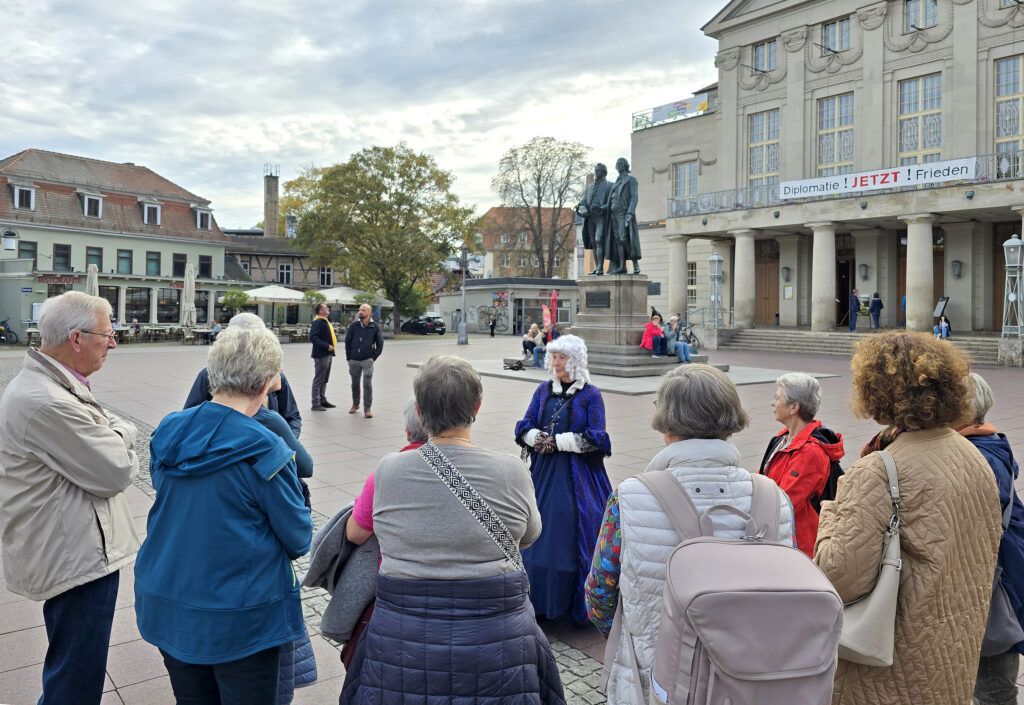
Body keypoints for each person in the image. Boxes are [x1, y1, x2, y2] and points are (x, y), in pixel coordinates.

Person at [339, 355, 563, 704]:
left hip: (400, 639)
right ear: (477, 406)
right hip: (499, 641)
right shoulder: (511, 472)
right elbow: (529, 536)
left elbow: (364, 530)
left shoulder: (389, 470)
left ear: (420, 409)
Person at [585, 364, 795, 704]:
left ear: (667, 421)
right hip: (748, 681)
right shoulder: (775, 499)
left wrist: (637, 633)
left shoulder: (630, 497)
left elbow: (599, 594)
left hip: (653, 680)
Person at [814, 332, 1002, 705]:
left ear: (877, 393)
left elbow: (838, 577)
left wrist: (832, 510)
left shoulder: (878, 470)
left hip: (890, 665)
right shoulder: (972, 455)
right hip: (954, 650)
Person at [134, 326, 313, 705]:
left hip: (168, 599)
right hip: (239, 616)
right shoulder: (266, 447)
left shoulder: (170, 429)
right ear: (266, 381)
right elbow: (298, 538)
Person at [0, 292, 139, 705]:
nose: (113, 343)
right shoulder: (46, 400)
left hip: (73, 547)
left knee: (74, 667)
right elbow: (115, 470)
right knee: (76, 678)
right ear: (76, 339)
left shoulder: (54, 383)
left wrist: (113, 432)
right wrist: (123, 433)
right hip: (76, 557)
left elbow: (107, 428)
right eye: (107, 334)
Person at [515, 335, 612, 624]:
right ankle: (537, 599)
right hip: (544, 472)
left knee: (572, 528)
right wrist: (536, 438)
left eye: (562, 357)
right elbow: (525, 424)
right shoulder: (543, 391)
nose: (556, 362)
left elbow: (597, 437)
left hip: (579, 476)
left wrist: (558, 442)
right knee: (535, 527)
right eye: (554, 357)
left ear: (575, 360)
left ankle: (574, 604)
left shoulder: (591, 395)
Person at [342, 398, 429, 667]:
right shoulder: (480, 471)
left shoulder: (385, 472)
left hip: (398, 594)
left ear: (407, 431)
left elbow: (355, 534)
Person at [959, 373, 1024, 705]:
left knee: (993, 690)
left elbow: (978, 523)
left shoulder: (980, 456)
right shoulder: (985, 443)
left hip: (990, 592)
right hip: (991, 585)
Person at [758, 373, 844, 557]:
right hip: (779, 536)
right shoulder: (782, 438)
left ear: (794, 407)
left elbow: (785, 502)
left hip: (797, 546)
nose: (772, 403)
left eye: (777, 398)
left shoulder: (810, 452)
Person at [185, 312, 302, 437]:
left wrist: (288, 441)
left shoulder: (274, 375)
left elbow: (292, 416)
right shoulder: (209, 374)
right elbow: (192, 416)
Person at [345, 303, 384, 418]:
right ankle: (355, 404)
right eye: (360, 310)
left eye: (363, 310)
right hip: (354, 360)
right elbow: (347, 342)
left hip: (367, 360)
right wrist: (349, 358)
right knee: (355, 384)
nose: (360, 312)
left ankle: (367, 409)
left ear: (370, 313)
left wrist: (373, 358)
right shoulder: (354, 326)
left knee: (367, 384)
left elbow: (380, 344)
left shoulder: (375, 327)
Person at [576, 162, 613, 275]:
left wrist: (603, 207)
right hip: (590, 218)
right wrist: (583, 210)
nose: (596, 172)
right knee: (594, 243)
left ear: (604, 172)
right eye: (596, 170)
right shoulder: (589, 187)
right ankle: (598, 267)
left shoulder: (610, 185)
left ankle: (600, 267)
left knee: (599, 240)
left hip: (602, 217)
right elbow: (582, 202)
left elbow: (613, 202)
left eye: (599, 171)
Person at [608, 157, 641, 274]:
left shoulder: (631, 179)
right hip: (613, 214)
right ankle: (622, 265)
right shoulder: (616, 182)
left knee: (624, 238)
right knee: (617, 240)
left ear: (626, 165)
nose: (619, 165)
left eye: (622, 163)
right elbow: (611, 199)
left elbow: (634, 197)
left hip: (623, 212)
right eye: (618, 163)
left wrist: (630, 213)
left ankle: (635, 262)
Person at [310, 302, 336, 411]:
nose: (328, 309)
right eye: (325, 308)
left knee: (324, 378)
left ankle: (322, 400)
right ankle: (315, 403)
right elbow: (312, 337)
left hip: (328, 354)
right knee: (319, 379)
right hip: (321, 354)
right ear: (321, 311)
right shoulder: (318, 322)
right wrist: (326, 346)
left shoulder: (326, 320)